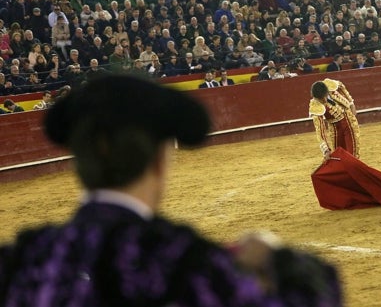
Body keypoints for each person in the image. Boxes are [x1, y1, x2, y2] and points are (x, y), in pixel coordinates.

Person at [0, 74, 342, 306]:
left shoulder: (24, 261)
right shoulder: (187, 262)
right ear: (161, 162)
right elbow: (317, 293)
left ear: (80, 161)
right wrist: (274, 256)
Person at [309, 78, 360, 160]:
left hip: (348, 119)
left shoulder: (330, 84)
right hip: (334, 127)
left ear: (326, 92)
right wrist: (326, 150)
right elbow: (320, 130)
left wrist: (351, 103)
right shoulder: (315, 107)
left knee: (353, 154)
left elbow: (341, 86)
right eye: (320, 99)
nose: (324, 100)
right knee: (338, 155)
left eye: (324, 97)